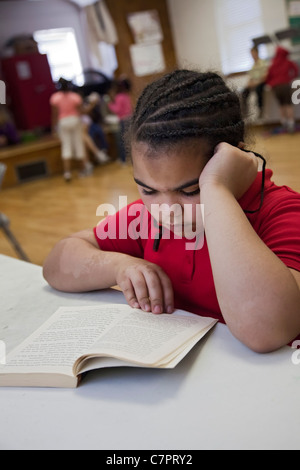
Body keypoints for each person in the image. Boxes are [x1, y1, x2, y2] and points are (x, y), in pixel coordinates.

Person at [43, 69, 300, 353]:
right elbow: (56, 264)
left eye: (190, 190)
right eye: (148, 190)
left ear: (232, 159)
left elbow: (264, 331)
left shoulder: (283, 212)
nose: (167, 212)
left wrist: (216, 189)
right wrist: (120, 266)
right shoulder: (146, 218)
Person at [50, 78, 93, 182]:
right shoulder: (75, 97)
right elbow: (82, 111)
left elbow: (54, 115)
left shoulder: (55, 98)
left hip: (63, 122)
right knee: (78, 145)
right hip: (75, 120)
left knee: (66, 146)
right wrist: (92, 104)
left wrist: (53, 128)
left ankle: (67, 173)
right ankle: (83, 170)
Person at [265, 46, 298, 133]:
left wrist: (270, 84)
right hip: (285, 85)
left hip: (276, 87)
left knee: (281, 106)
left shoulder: (273, 63)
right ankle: (291, 125)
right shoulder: (288, 62)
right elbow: (296, 70)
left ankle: (284, 124)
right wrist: (291, 78)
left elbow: (268, 76)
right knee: (288, 105)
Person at [107, 76, 133, 164]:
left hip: (123, 120)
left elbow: (117, 110)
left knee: (121, 140)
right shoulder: (126, 95)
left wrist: (110, 104)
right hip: (130, 118)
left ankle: (123, 159)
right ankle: (130, 158)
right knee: (129, 139)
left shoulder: (119, 97)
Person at [81, 93, 110, 165]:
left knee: (100, 132)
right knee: (88, 138)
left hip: (93, 125)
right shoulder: (85, 107)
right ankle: (97, 155)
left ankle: (102, 151)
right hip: (87, 127)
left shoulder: (97, 107)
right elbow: (85, 112)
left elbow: (99, 117)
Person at [241, 46, 268, 118]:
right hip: (254, 83)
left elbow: (264, 77)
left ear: (257, 53)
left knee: (258, 90)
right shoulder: (253, 66)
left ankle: (260, 110)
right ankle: (245, 112)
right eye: (251, 54)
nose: (252, 56)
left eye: (253, 54)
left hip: (261, 83)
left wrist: (256, 83)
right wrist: (248, 84)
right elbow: (251, 77)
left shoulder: (263, 63)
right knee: (244, 92)